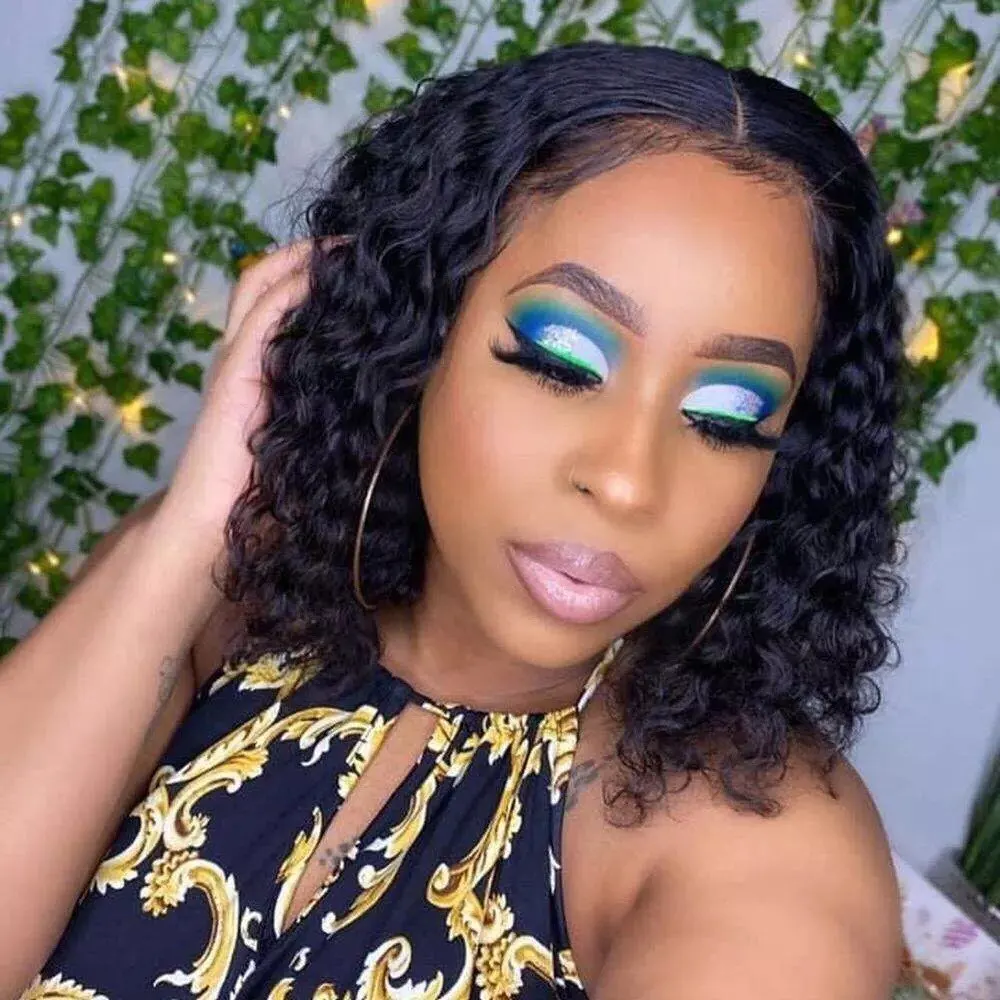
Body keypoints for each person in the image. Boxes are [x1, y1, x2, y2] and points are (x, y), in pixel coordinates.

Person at [1, 40, 907, 1000]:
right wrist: (196, 527)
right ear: (419, 330)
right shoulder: (224, 591)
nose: (627, 481)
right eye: (561, 362)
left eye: (725, 418)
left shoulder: (760, 851)